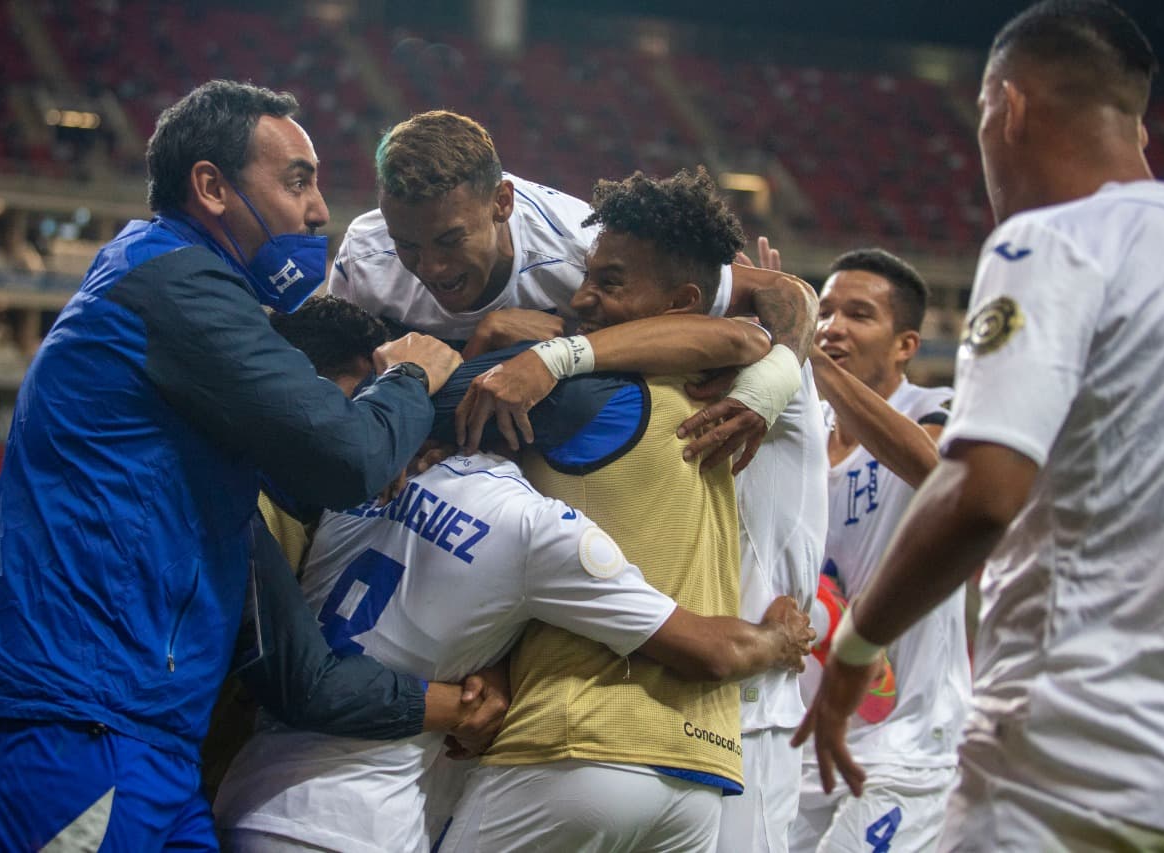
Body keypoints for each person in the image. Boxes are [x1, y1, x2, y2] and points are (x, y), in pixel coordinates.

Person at [0, 81, 475, 851]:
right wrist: (408, 377)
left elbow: (309, 481)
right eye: (297, 180)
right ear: (211, 187)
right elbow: (344, 456)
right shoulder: (176, 282)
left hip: (144, 735)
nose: (319, 210)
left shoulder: (183, 305)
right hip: (73, 723)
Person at [798, 1, 1164, 849]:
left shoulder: (1052, 243)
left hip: (1066, 760)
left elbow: (981, 491)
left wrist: (852, 651)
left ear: (1008, 106)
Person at [212, 296, 815, 852]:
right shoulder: (539, 529)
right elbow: (706, 649)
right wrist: (778, 640)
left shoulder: (350, 489)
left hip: (250, 794)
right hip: (366, 822)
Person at [439, 169, 824, 852]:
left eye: (610, 283)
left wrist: (532, 352)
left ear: (683, 301)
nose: (582, 297)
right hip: (705, 763)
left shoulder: (597, 399)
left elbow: (773, 312)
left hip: (588, 735)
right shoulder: (733, 377)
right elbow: (750, 330)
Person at [331, 110, 811, 471]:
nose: (431, 267)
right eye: (407, 245)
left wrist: (766, 390)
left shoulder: (581, 245)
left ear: (502, 202)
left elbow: (787, 293)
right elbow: (337, 374)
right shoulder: (366, 252)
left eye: (451, 240)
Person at [790, 249, 971, 852]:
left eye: (859, 315)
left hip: (906, 744)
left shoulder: (934, 409)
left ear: (905, 345)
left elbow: (937, 471)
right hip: (800, 742)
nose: (833, 326)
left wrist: (815, 363)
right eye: (824, 311)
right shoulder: (803, 427)